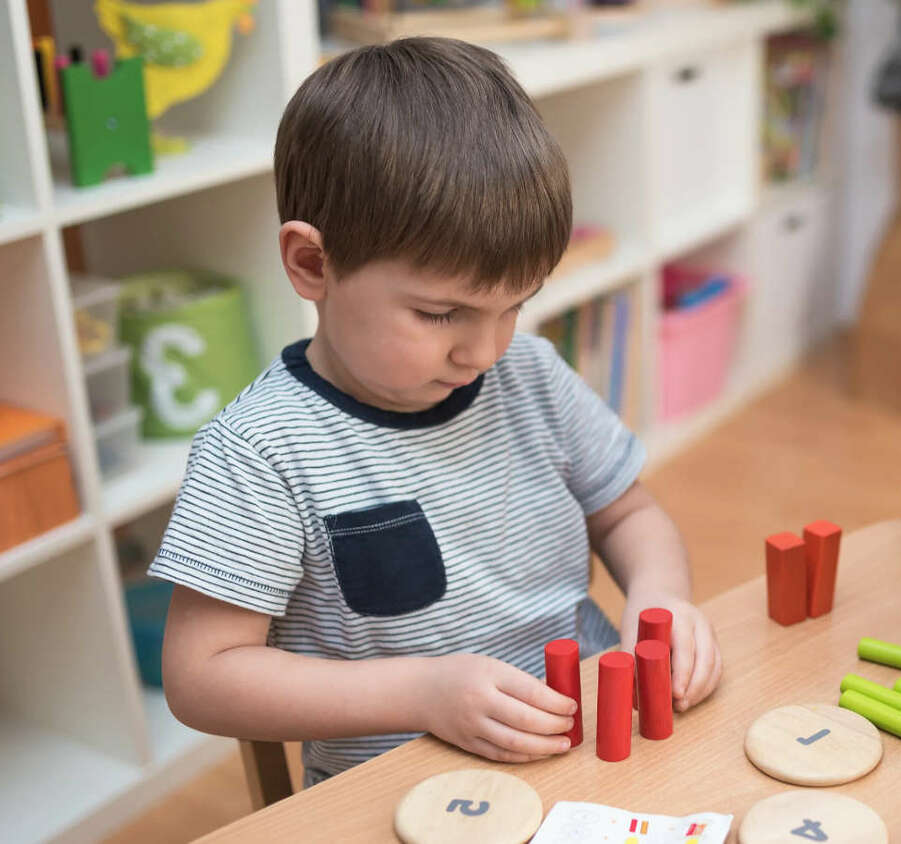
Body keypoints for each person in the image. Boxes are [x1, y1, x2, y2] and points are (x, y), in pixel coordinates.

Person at [151, 38, 721, 787]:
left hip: (591, 746)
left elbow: (627, 515)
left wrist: (660, 601)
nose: (484, 350)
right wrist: (422, 692)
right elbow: (202, 677)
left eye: (514, 305)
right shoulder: (260, 452)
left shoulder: (531, 374)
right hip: (405, 787)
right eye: (443, 313)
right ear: (312, 265)